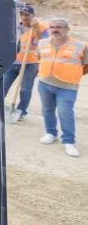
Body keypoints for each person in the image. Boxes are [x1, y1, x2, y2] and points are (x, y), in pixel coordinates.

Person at [36, 18, 86, 157]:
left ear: (67, 29)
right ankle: (51, 133)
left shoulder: (80, 45)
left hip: (67, 86)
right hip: (45, 83)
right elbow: (40, 58)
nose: (55, 29)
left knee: (65, 112)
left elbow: (85, 65)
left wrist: (71, 75)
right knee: (47, 110)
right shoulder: (42, 43)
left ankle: (68, 141)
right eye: (52, 27)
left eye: (59, 27)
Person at [2, 5, 47, 121]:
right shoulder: (16, 26)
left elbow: (44, 43)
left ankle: (21, 111)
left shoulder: (42, 27)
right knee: (3, 86)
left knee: (25, 89)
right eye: (22, 14)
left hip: (30, 63)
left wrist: (36, 29)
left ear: (33, 16)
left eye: (27, 15)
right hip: (13, 62)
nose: (24, 17)